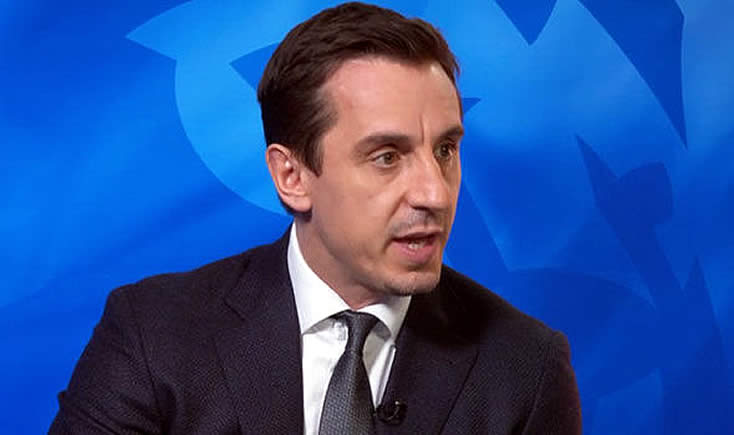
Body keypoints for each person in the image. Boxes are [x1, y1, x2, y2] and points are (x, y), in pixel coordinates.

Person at [50, 2, 581, 434]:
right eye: (386, 157)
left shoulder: (525, 369)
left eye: (445, 149)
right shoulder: (152, 333)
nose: (434, 193)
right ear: (292, 177)